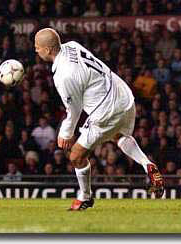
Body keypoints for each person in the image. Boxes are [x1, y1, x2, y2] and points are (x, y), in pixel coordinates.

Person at [34, 28, 164, 211]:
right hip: (123, 95)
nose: (35, 50)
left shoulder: (64, 75)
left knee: (76, 156)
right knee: (118, 135)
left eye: (37, 47)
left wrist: (66, 132)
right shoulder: (72, 45)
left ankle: (85, 198)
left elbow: (74, 109)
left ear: (47, 50)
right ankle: (148, 165)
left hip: (106, 109)